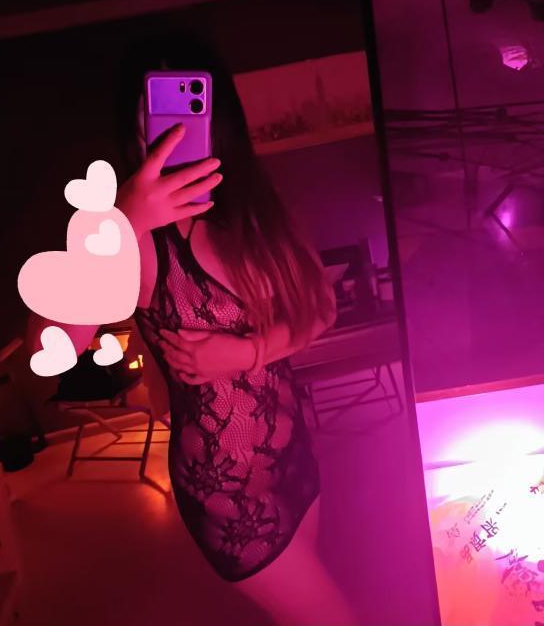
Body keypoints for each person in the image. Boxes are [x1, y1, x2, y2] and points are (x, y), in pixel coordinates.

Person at [27, 34, 356, 625]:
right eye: (150, 111)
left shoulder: (254, 209)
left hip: (296, 460)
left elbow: (321, 307)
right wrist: (120, 222)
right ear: (132, 125)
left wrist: (248, 351)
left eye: (184, 108)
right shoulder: (128, 236)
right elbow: (48, 352)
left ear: (215, 117)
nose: (165, 131)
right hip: (229, 496)